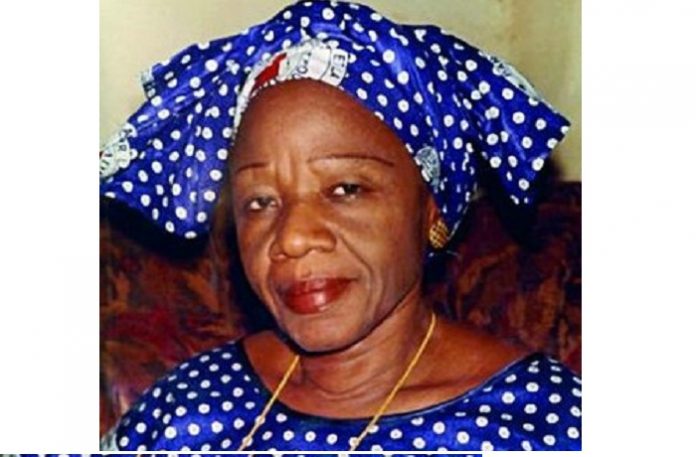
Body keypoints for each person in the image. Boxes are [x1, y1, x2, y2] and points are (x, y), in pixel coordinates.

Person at [99, 0, 580, 451]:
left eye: (345, 189)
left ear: (431, 209)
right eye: (260, 201)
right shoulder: (189, 406)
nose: (292, 237)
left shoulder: (543, 424)